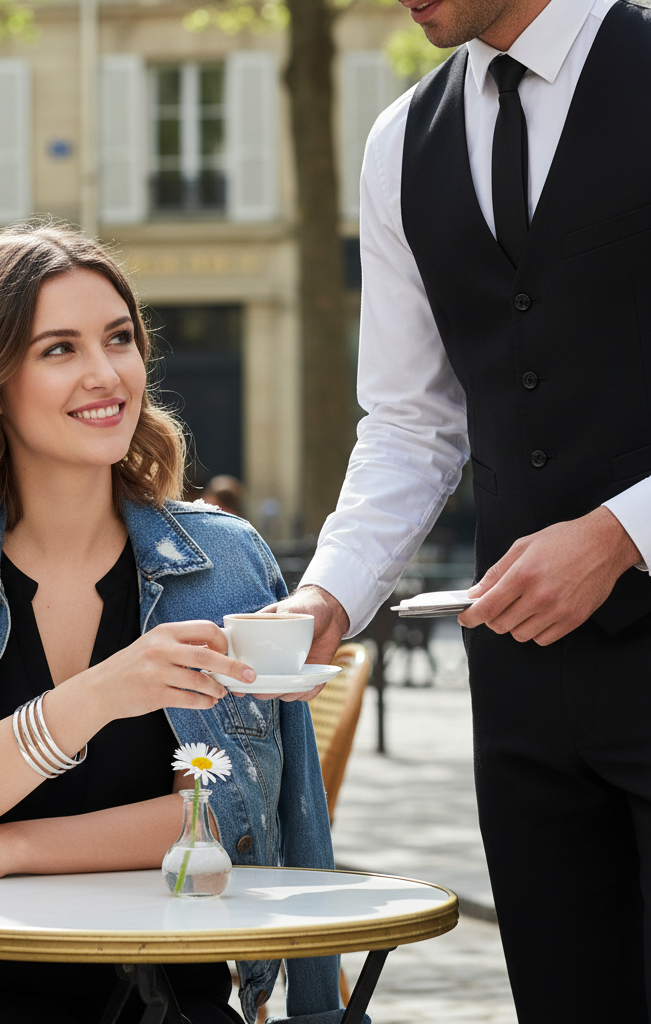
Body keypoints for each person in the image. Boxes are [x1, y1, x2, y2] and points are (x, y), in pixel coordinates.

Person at [0, 224, 347, 1024]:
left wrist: (2, 851)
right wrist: (98, 695)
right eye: (58, 349)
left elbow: (227, 814)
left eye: (120, 338)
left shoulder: (220, 563)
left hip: (163, 1000)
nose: (106, 373)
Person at [277, 0, 651, 1020]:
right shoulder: (400, 141)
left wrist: (623, 531)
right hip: (522, 687)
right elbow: (408, 424)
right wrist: (324, 598)